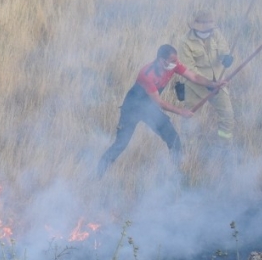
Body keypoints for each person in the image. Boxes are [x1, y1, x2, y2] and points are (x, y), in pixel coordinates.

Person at [97, 44, 226, 177]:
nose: (176, 63)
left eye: (176, 61)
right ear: (161, 60)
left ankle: (177, 176)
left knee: (174, 139)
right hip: (132, 109)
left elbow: (193, 77)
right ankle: (98, 174)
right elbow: (159, 102)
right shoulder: (146, 74)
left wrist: (213, 84)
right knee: (121, 144)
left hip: (148, 108)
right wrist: (181, 112)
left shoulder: (174, 65)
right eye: (172, 61)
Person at [178, 10, 235, 140]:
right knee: (190, 120)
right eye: (203, 31)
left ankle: (224, 147)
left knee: (227, 115)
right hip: (195, 85)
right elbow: (189, 70)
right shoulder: (185, 42)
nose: (207, 33)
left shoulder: (216, 34)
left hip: (218, 82)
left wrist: (226, 57)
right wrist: (208, 83)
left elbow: (223, 49)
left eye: (209, 30)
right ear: (195, 28)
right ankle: (187, 150)